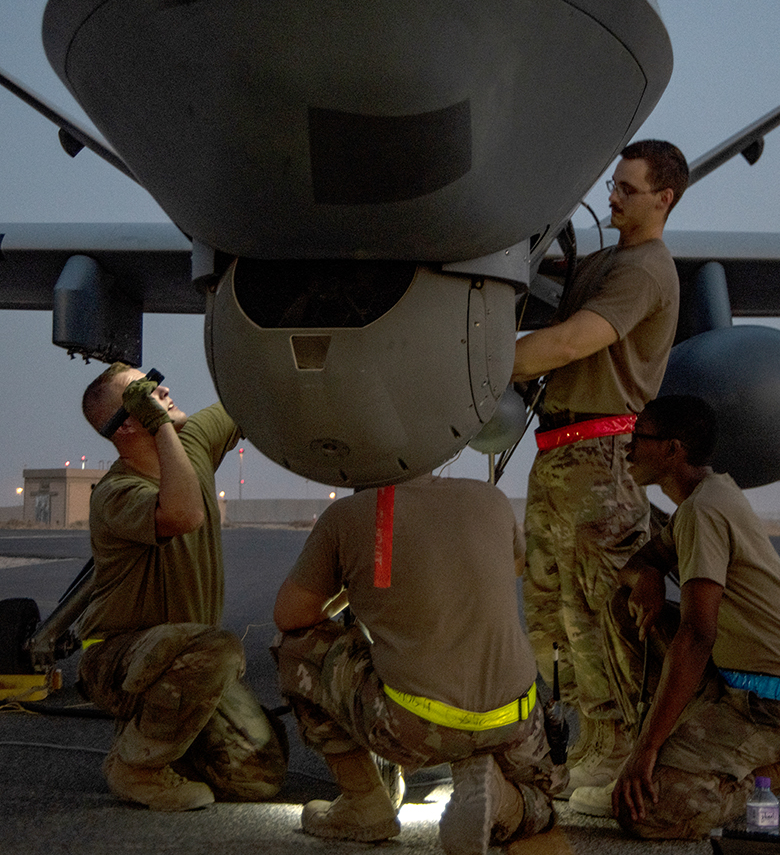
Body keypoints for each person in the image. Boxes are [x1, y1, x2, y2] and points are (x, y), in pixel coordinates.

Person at [511, 140, 688, 795]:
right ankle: (573, 744)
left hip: (600, 457)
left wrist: (471, 364)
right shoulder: (607, 262)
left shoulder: (644, 270)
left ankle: (614, 750)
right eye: (613, 184)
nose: (611, 196)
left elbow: (569, 342)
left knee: (598, 616)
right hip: (558, 456)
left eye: (628, 189)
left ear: (663, 198)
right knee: (549, 614)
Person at [272, 473, 567, 855]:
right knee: (545, 804)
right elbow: (513, 565)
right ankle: (502, 798)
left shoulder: (347, 516)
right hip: (514, 720)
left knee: (295, 648)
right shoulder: (490, 498)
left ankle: (364, 802)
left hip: (411, 726)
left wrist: (353, 588)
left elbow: (290, 615)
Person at [77, 362, 287, 811]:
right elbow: (182, 514)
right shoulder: (116, 493)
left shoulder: (191, 442)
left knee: (260, 779)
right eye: (146, 393)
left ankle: (164, 735)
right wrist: (163, 429)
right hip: (118, 657)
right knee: (218, 648)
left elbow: (247, 397)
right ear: (130, 422)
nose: (164, 390)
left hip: (186, 659)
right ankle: (138, 767)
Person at [569, 395, 780, 838]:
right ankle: (663, 752)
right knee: (621, 610)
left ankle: (769, 778)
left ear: (672, 449)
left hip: (767, 703)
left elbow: (697, 634)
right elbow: (635, 566)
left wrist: (647, 748)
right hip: (731, 681)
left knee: (643, 813)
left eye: (638, 438)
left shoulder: (704, 511)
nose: (628, 449)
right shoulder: (703, 498)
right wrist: (647, 574)